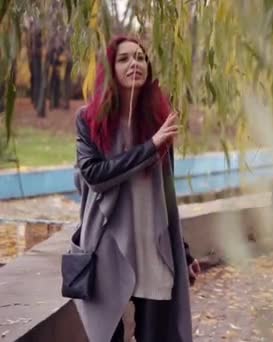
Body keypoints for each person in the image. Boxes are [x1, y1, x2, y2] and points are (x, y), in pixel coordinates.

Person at [71, 35, 200, 342]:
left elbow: (165, 194)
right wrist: (150, 147)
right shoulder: (89, 119)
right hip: (107, 247)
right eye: (125, 58)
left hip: (153, 248)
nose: (135, 64)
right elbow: (94, 175)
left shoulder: (159, 120)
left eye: (141, 58)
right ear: (111, 69)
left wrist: (182, 249)